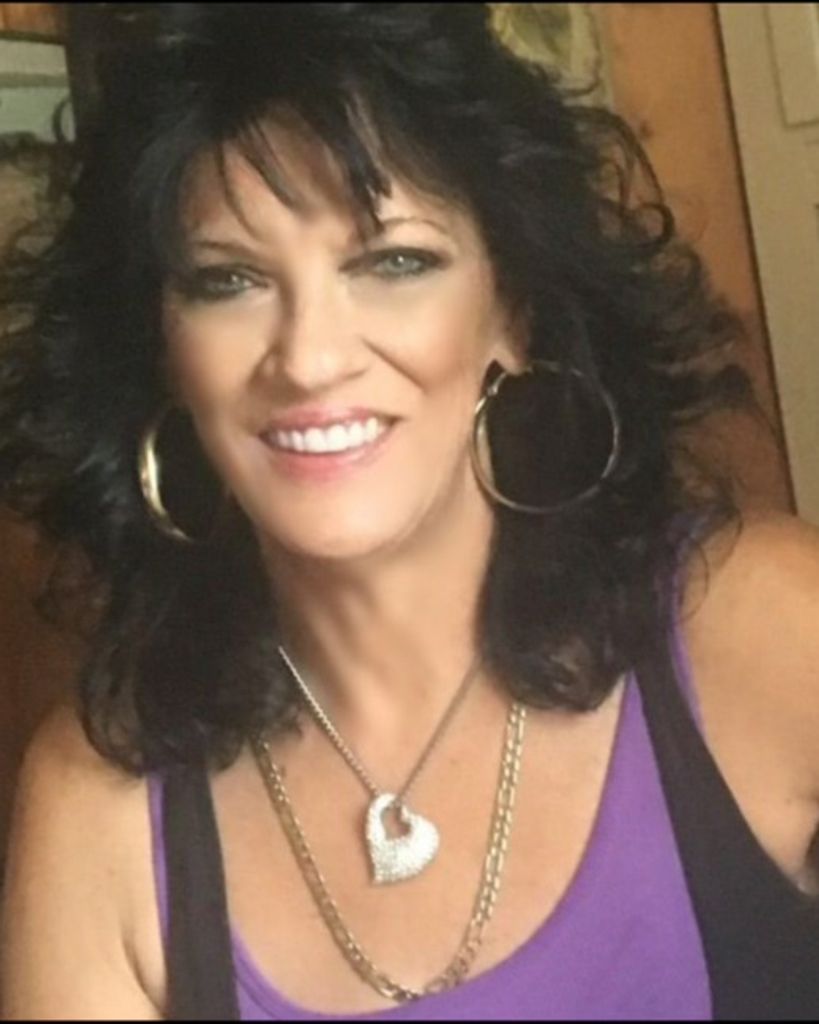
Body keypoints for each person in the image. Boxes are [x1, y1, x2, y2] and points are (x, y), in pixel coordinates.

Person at [0, 3, 818, 1019]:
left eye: (393, 263)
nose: (308, 358)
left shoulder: (765, 630)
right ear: (164, 353)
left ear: (512, 310)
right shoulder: (99, 809)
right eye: (229, 280)